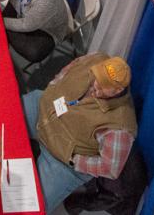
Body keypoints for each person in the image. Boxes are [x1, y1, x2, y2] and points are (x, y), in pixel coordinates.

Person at [24, 55, 138, 208]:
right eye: (97, 77)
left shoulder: (120, 127)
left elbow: (110, 168)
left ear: (117, 90)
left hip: (61, 160)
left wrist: (74, 160)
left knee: (29, 206)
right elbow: (68, 70)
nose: (96, 85)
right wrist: (54, 86)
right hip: (44, 110)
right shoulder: (96, 58)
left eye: (103, 86)